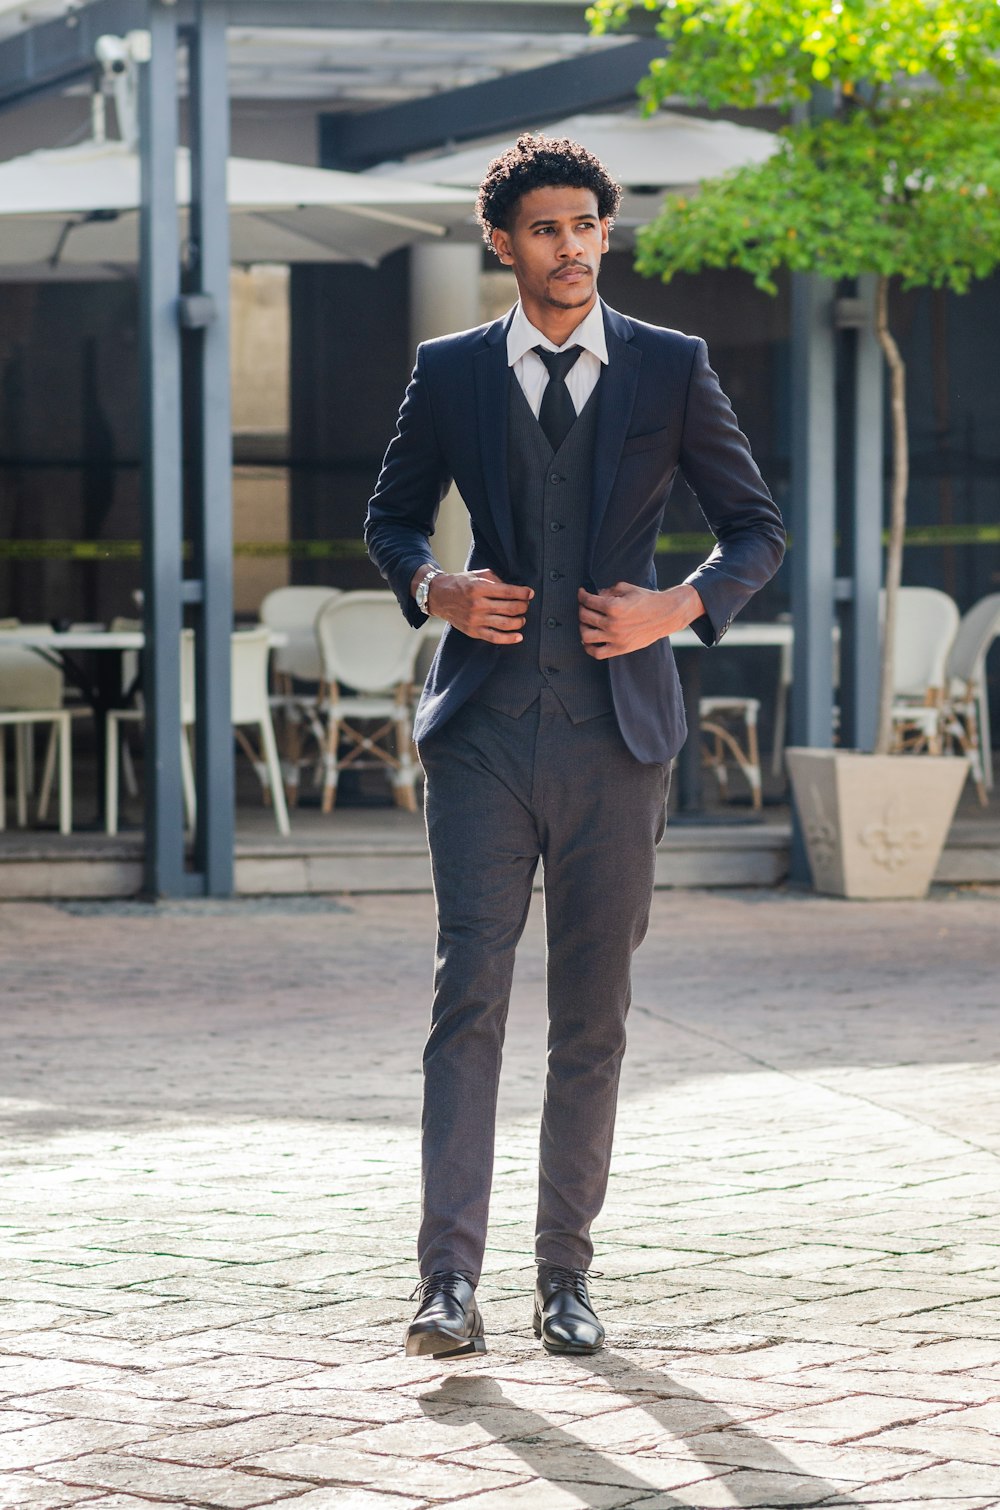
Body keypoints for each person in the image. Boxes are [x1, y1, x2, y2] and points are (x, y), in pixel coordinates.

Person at [366, 135, 785, 1360]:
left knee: (591, 1017)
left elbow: (755, 530)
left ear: (607, 233)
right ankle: (447, 1280)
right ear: (503, 242)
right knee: (470, 997)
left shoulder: (670, 365)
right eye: (545, 228)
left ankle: (565, 1278)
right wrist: (434, 587)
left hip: (619, 737)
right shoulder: (448, 371)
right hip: (485, 732)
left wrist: (676, 607)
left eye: (587, 225)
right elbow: (392, 516)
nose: (570, 247)